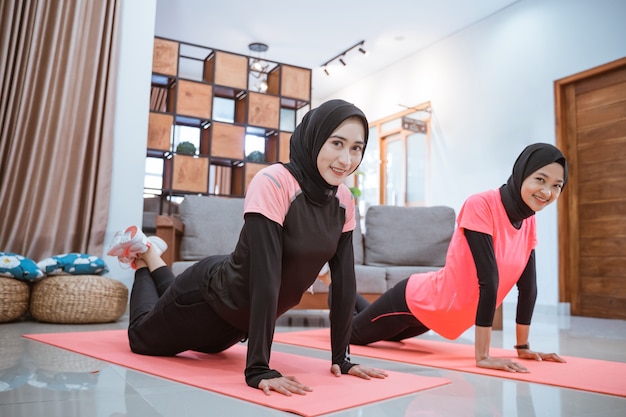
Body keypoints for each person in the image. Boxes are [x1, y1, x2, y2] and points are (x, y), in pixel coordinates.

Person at [106, 99, 387, 397]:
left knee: (171, 298)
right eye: (337, 143)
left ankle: (151, 253)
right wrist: (258, 368)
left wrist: (341, 357)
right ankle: (140, 258)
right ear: (315, 138)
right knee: (139, 337)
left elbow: (344, 282)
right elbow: (267, 277)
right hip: (207, 303)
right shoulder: (276, 182)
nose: (346, 159)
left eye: (356, 147)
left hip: (235, 329)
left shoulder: (343, 199)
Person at [348, 143, 568, 373]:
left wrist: (523, 347)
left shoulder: (529, 222)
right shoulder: (481, 204)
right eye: (540, 180)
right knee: (352, 334)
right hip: (418, 301)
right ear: (522, 172)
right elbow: (488, 279)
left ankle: (348, 296)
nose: (546, 192)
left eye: (556, 186)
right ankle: (337, 288)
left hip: (435, 318)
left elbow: (528, 286)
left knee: (385, 335)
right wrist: (483, 356)